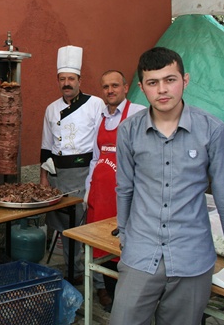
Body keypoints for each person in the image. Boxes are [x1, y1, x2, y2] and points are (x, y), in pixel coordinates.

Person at [110, 47, 224, 325]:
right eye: (153, 82)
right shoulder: (129, 131)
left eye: (170, 79)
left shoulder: (212, 129)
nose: (162, 89)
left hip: (192, 257)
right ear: (142, 87)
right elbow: (125, 188)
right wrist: (126, 238)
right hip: (140, 254)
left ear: (185, 80)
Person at [40, 45, 105, 283]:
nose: (66, 83)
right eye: (62, 79)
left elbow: (101, 141)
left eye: (71, 79)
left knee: (88, 224)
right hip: (59, 175)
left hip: (85, 172)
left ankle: (98, 278)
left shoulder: (95, 104)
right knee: (66, 226)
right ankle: (73, 271)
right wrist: (44, 179)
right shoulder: (51, 109)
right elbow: (46, 146)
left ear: (79, 80)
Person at [84, 70, 146, 310]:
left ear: (126, 87)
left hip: (123, 195)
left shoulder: (138, 113)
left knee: (123, 244)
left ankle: (128, 298)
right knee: (101, 244)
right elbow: (95, 157)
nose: (110, 90)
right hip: (100, 194)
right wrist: (88, 189)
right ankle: (107, 291)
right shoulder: (101, 117)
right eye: (106, 87)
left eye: (115, 86)